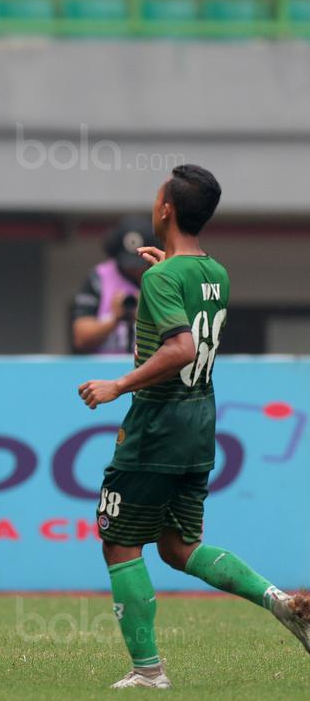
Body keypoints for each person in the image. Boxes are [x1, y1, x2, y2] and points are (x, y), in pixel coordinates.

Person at [78, 165, 310, 690]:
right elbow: (192, 327)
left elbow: (180, 348)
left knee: (119, 543)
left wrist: (119, 384)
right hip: (201, 422)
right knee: (177, 546)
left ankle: (147, 671)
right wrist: (167, 275)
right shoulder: (214, 273)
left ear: (165, 210)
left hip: (157, 425)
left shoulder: (163, 279)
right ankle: (280, 601)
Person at [71, 217, 157, 354]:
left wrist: (145, 315)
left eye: (140, 263)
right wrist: (115, 319)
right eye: (128, 264)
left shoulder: (163, 279)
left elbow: (177, 338)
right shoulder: (99, 278)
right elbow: (81, 338)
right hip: (107, 371)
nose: (134, 269)